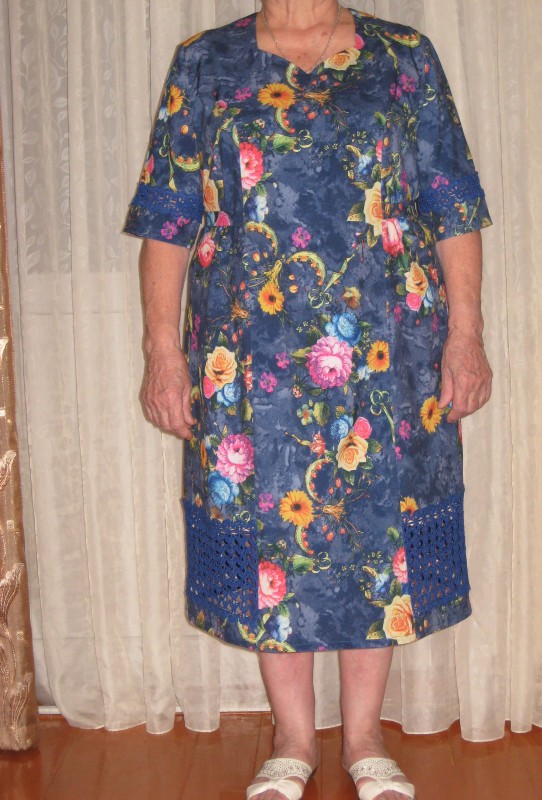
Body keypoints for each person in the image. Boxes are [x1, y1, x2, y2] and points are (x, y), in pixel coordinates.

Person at [123, 2, 492, 798]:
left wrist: (466, 335)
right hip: (246, 348)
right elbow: (167, 218)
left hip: (386, 346)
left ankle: (363, 737)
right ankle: (293, 739)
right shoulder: (204, 63)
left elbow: (452, 202)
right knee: (269, 533)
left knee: (375, 533)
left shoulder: (403, 56)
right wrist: (162, 352)